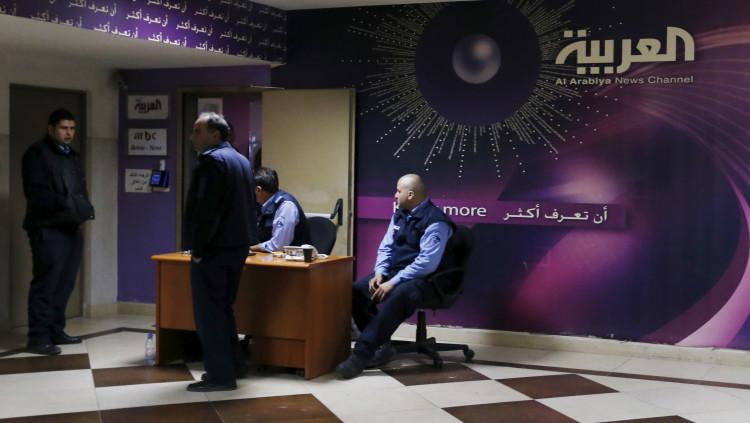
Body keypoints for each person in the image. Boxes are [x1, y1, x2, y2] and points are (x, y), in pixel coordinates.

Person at [336, 174, 455, 378]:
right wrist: (380, 272)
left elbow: (426, 264)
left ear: (411, 194)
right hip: (398, 272)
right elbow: (386, 247)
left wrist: (393, 282)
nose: (395, 195)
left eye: (398, 191)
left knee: (399, 296)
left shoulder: (436, 221)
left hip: (427, 279)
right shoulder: (400, 214)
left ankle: (361, 355)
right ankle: (382, 346)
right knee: (357, 291)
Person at [182, 112, 258, 392]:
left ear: (215, 135)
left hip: (214, 249)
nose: (192, 137)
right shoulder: (241, 160)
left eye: (197, 131)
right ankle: (234, 365)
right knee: (223, 309)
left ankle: (220, 376)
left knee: (209, 314)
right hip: (237, 247)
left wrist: (199, 249)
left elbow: (206, 210)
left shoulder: (211, 161)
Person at [21, 108, 95, 356]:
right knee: (46, 283)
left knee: (65, 284)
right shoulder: (37, 154)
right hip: (48, 227)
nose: (69, 133)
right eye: (64, 128)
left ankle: (56, 330)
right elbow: (36, 193)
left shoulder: (70, 155)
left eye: (72, 128)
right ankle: (38, 337)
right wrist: (65, 203)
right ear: (51, 129)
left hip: (70, 226)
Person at [250, 166, 312, 253]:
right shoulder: (262, 206)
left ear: (258, 190)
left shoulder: (286, 206)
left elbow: (278, 246)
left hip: (294, 260)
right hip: (274, 258)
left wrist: (253, 247)